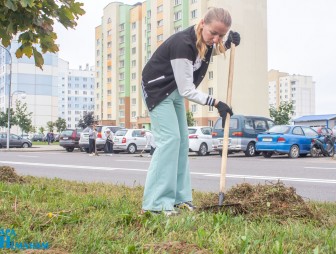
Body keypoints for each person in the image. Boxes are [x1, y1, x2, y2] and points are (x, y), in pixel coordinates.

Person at [140, 7, 240, 215]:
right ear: (202, 22)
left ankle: (179, 199)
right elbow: (187, 89)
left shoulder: (207, 41)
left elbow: (213, 49)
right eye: (214, 33)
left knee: (183, 141)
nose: (216, 39)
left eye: (221, 35)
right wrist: (216, 103)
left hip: (174, 91)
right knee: (169, 141)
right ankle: (155, 204)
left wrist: (229, 45)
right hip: (157, 88)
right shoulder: (183, 44)